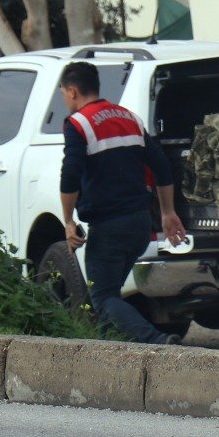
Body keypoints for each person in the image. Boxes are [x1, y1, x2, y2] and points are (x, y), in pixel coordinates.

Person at [58, 60, 187, 345]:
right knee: (111, 293)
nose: (64, 99)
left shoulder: (78, 123)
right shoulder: (130, 118)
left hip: (109, 227)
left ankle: (157, 341)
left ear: (72, 91)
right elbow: (162, 167)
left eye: (63, 93)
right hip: (140, 224)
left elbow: (70, 174)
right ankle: (106, 356)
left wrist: (68, 221)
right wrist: (168, 212)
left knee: (102, 297)